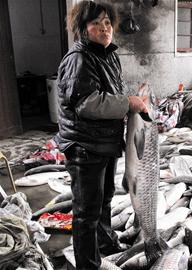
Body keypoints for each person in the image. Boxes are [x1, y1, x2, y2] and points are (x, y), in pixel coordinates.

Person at [54, 1, 148, 269]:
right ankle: (88, 264)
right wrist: (128, 103)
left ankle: (105, 245)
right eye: (96, 23)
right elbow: (88, 103)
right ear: (83, 29)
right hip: (85, 146)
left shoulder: (109, 55)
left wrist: (133, 104)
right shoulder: (79, 59)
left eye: (107, 22)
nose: (104, 28)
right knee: (86, 212)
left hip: (105, 143)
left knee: (104, 201)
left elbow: (113, 95)